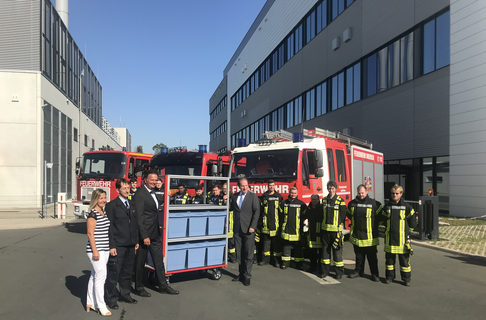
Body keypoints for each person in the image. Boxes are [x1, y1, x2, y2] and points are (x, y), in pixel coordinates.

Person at [134, 170, 179, 296]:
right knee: (140, 262)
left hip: (155, 232)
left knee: (159, 261)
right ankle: (139, 287)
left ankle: (163, 285)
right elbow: (139, 217)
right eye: (152, 179)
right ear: (145, 180)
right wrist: (144, 236)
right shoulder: (140, 194)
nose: (154, 182)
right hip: (145, 235)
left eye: (156, 179)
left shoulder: (153, 193)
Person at [104, 179, 139, 310]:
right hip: (118, 245)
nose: (127, 190)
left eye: (128, 187)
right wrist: (111, 246)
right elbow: (110, 228)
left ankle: (125, 294)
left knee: (127, 272)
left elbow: (134, 224)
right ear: (118, 190)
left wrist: (135, 241)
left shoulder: (131, 203)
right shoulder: (112, 206)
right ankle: (111, 299)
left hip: (130, 244)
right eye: (124, 188)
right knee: (114, 273)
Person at [379, 184, 417, 286]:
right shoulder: (387, 206)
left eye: (396, 193)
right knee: (389, 262)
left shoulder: (406, 206)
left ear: (401, 194)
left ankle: (406, 279)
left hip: (402, 240)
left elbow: (413, 220)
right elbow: (381, 219)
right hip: (390, 239)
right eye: (392, 193)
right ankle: (389, 277)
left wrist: (408, 231)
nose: (394, 195)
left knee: (404, 262)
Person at [347, 184, 382, 281]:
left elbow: (381, 218)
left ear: (366, 192)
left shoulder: (375, 204)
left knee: (372, 258)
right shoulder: (352, 204)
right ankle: (358, 271)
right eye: (359, 193)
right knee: (359, 257)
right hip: (357, 236)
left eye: (362, 193)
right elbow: (349, 215)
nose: (361, 195)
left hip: (370, 237)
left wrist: (374, 227)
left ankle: (375, 274)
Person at [85, 189, 111, 316]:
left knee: (94, 275)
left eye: (105, 198)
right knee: (102, 277)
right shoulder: (93, 214)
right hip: (96, 251)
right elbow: (90, 234)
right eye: (101, 198)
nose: (103, 200)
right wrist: (95, 251)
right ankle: (101, 305)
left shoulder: (103, 212)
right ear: (95, 199)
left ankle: (90, 302)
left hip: (105, 249)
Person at [230, 177, 260, 286]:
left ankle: (247, 276)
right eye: (242, 185)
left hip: (248, 230)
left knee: (248, 253)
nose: (244, 187)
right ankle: (241, 274)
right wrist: (225, 199)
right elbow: (230, 208)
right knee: (239, 253)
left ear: (248, 186)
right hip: (237, 230)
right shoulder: (234, 196)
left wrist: (253, 226)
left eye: (245, 185)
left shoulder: (253, 196)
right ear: (239, 186)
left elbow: (256, 212)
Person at [320, 181, 347, 279]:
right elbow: (321, 215)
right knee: (325, 253)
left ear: (336, 189)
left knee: (337, 253)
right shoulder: (324, 200)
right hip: (325, 231)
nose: (331, 190)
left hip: (336, 232)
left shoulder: (340, 201)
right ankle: (325, 271)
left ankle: (339, 273)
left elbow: (343, 215)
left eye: (332, 188)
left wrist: (340, 229)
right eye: (329, 188)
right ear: (327, 189)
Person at [280, 186, 307, 270]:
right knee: (286, 248)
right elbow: (280, 214)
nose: (293, 195)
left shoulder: (301, 204)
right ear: (289, 192)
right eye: (292, 193)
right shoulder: (284, 203)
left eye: (295, 193)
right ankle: (285, 263)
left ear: (297, 193)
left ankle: (299, 264)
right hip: (286, 229)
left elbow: (305, 215)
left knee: (298, 248)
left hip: (297, 229)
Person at [258, 180, 283, 266]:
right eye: (269, 185)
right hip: (265, 225)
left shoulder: (279, 197)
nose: (271, 187)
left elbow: (281, 212)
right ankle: (265, 260)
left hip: (275, 225)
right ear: (267, 186)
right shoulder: (264, 196)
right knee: (266, 244)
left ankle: (276, 261)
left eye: (272, 185)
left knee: (276, 245)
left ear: (275, 186)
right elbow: (261, 211)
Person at [306, 194, 323, 273]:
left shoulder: (321, 208)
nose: (314, 201)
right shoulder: (309, 208)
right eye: (312, 199)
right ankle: (312, 266)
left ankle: (320, 267)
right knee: (312, 252)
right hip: (311, 231)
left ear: (318, 200)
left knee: (320, 252)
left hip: (319, 231)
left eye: (315, 199)